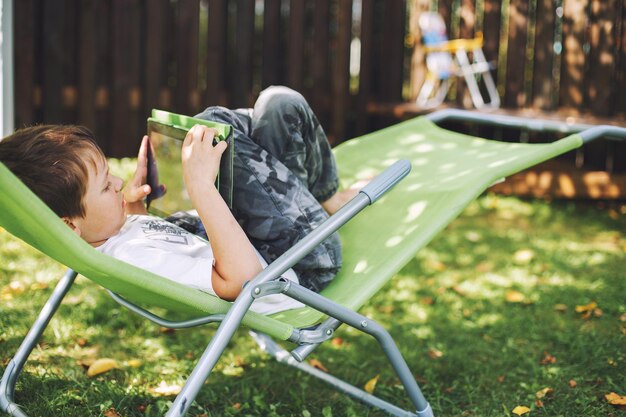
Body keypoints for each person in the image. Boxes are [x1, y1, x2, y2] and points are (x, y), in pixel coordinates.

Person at [0, 86, 357, 314]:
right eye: (107, 186)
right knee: (243, 114)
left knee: (276, 107)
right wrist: (201, 186)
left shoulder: (109, 237)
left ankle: (321, 198)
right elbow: (244, 280)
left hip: (266, 240)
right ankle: (325, 197)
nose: (120, 181)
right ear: (70, 226)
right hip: (299, 264)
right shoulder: (135, 257)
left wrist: (136, 209)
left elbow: (170, 239)